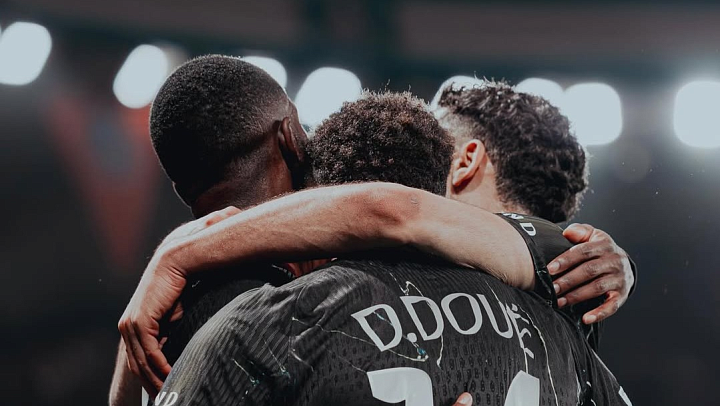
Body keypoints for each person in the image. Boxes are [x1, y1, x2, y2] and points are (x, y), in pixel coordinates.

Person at [113, 56, 633, 402]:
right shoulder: (567, 308)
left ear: (464, 162)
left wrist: (179, 254)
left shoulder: (273, 316)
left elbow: (392, 211)